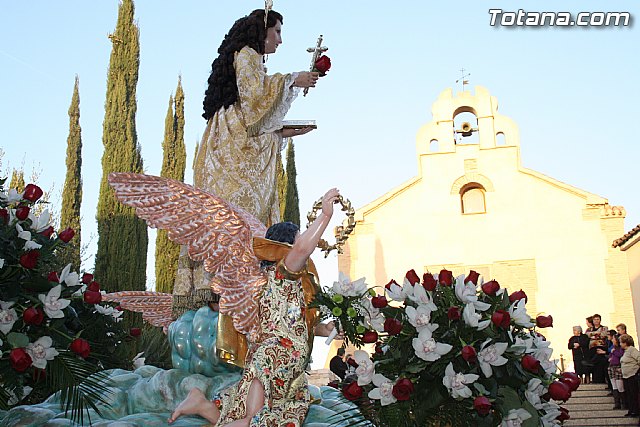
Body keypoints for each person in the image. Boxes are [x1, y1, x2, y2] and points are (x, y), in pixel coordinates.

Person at [172, 8, 319, 317]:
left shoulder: (245, 66)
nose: (280, 40)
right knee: (237, 220)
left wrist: (281, 132)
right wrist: (294, 79)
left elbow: (253, 122)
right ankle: (228, 291)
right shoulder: (248, 55)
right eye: (277, 32)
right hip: (232, 157)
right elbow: (254, 107)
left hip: (228, 149)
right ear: (261, 30)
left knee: (229, 221)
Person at [168, 188, 341, 426]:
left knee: (252, 419)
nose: (303, 246)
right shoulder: (283, 273)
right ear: (284, 246)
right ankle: (201, 403)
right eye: (298, 238)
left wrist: (324, 329)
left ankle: (202, 404)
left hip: (281, 362)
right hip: (275, 358)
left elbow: (290, 321)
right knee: (255, 420)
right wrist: (325, 215)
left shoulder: (283, 282)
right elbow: (302, 249)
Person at [620, 334, 640, 417]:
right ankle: (631, 410)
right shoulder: (626, 351)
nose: (620, 344)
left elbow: (639, 358)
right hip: (626, 376)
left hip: (632, 375)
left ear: (625, 343)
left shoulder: (632, 350)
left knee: (633, 394)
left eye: (621, 342)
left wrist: (636, 371)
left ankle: (635, 410)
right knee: (629, 394)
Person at [608, 333, 626, 410]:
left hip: (618, 367)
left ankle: (624, 403)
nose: (612, 340)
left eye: (613, 339)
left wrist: (613, 352)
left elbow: (620, 355)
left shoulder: (620, 349)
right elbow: (610, 356)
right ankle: (617, 403)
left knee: (620, 386)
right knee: (614, 386)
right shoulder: (613, 348)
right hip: (611, 367)